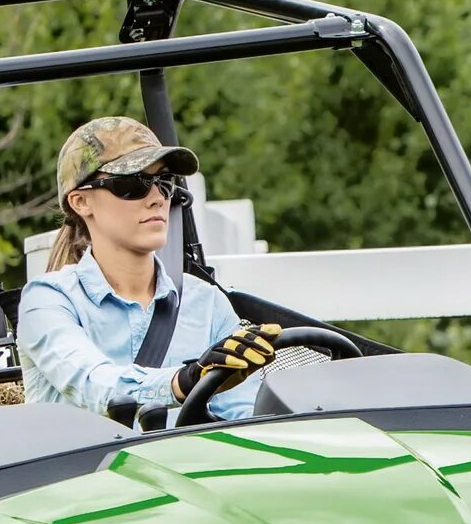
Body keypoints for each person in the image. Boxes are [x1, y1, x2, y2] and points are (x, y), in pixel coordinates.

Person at [16, 116, 284, 424]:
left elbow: (245, 420)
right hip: (87, 472)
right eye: (133, 184)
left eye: (164, 183)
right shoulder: (47, 301)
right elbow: (93, 381)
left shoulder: (208, 304)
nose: (157, 198)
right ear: (80, 201)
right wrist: (183, 381)